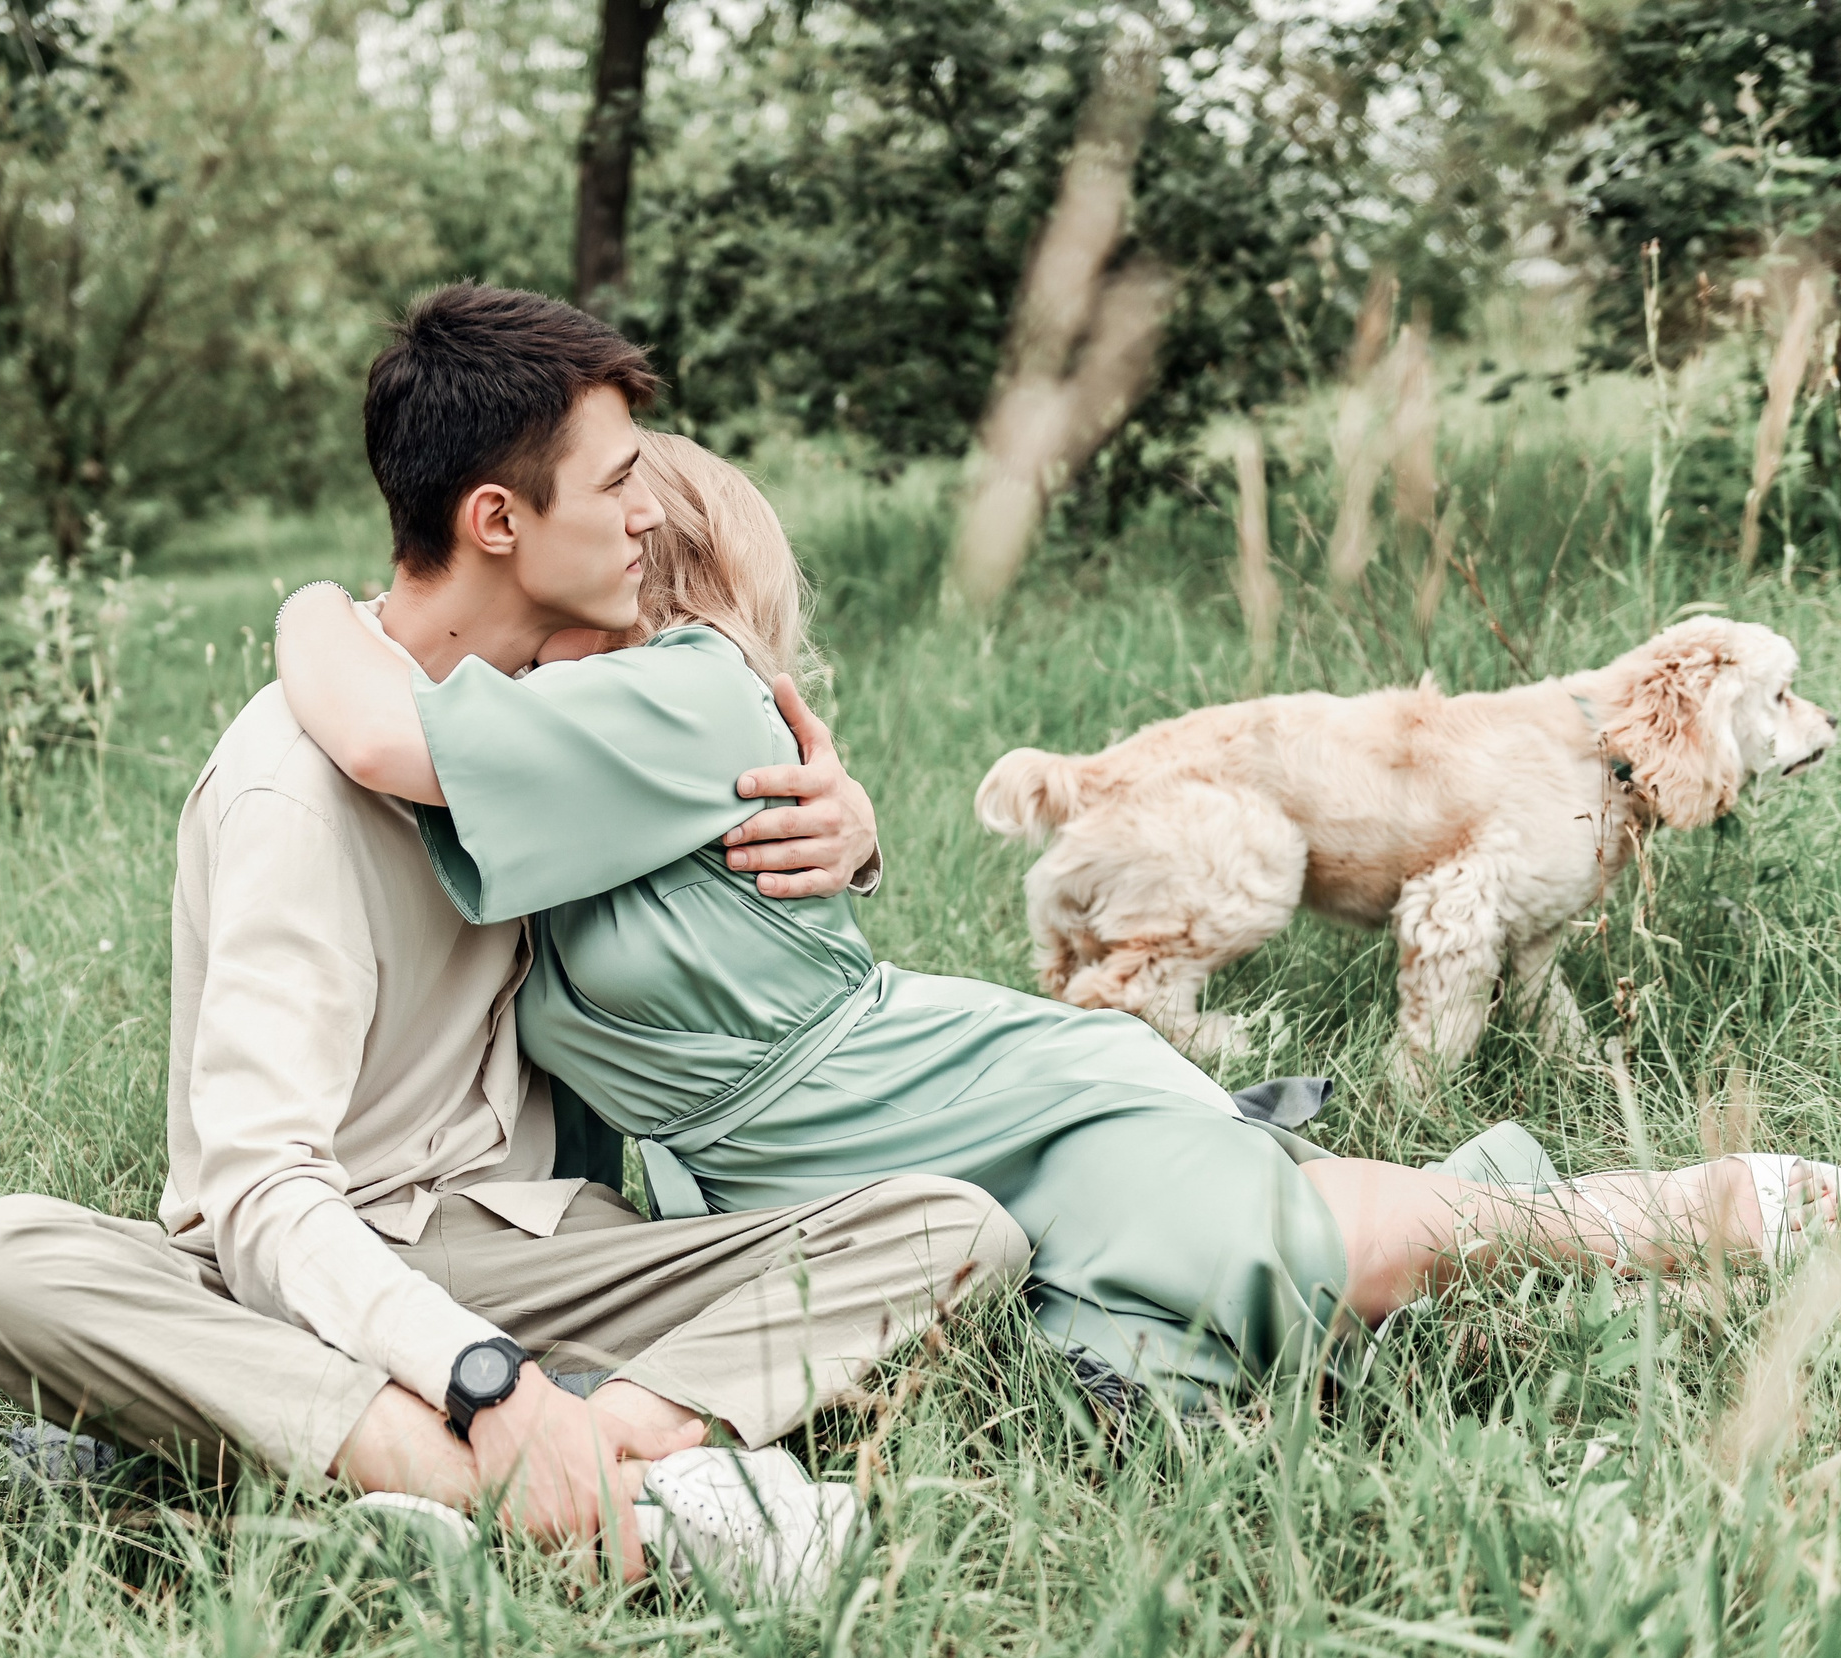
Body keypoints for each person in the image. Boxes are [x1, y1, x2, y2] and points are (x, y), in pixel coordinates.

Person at [273, 427, 1841, 1412]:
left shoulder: (666, 694)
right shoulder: (582, 745)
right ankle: (1654, 1278)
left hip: (917, 1097)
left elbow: (378, 729)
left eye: (622, 503)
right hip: (845, 1144)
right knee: (1248, 1275)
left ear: (652, 556)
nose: (600, 527)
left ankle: (1729, 1208)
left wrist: (316, 605)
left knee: (1289, 1236)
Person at [0, 285, 1029, 1589]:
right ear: (498, 520)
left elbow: (738, 869)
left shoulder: (566, 717)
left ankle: (416, 1478)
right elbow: (263, 1188)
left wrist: (848, 827)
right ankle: (614, 1503)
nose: (651, 515)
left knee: (958, 1229)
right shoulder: (296, 783)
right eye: (619, 484)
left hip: (546, 1242)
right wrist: (471, 1373)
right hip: (341, 1256)